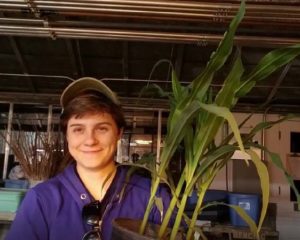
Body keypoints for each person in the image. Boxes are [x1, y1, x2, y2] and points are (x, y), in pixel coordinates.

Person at [6, 77, 173, 240]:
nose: (90, 140)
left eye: (102, 128)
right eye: (78, 129)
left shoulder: (153, 197)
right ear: (67, 136)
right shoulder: (42, 200)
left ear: (119, 133)